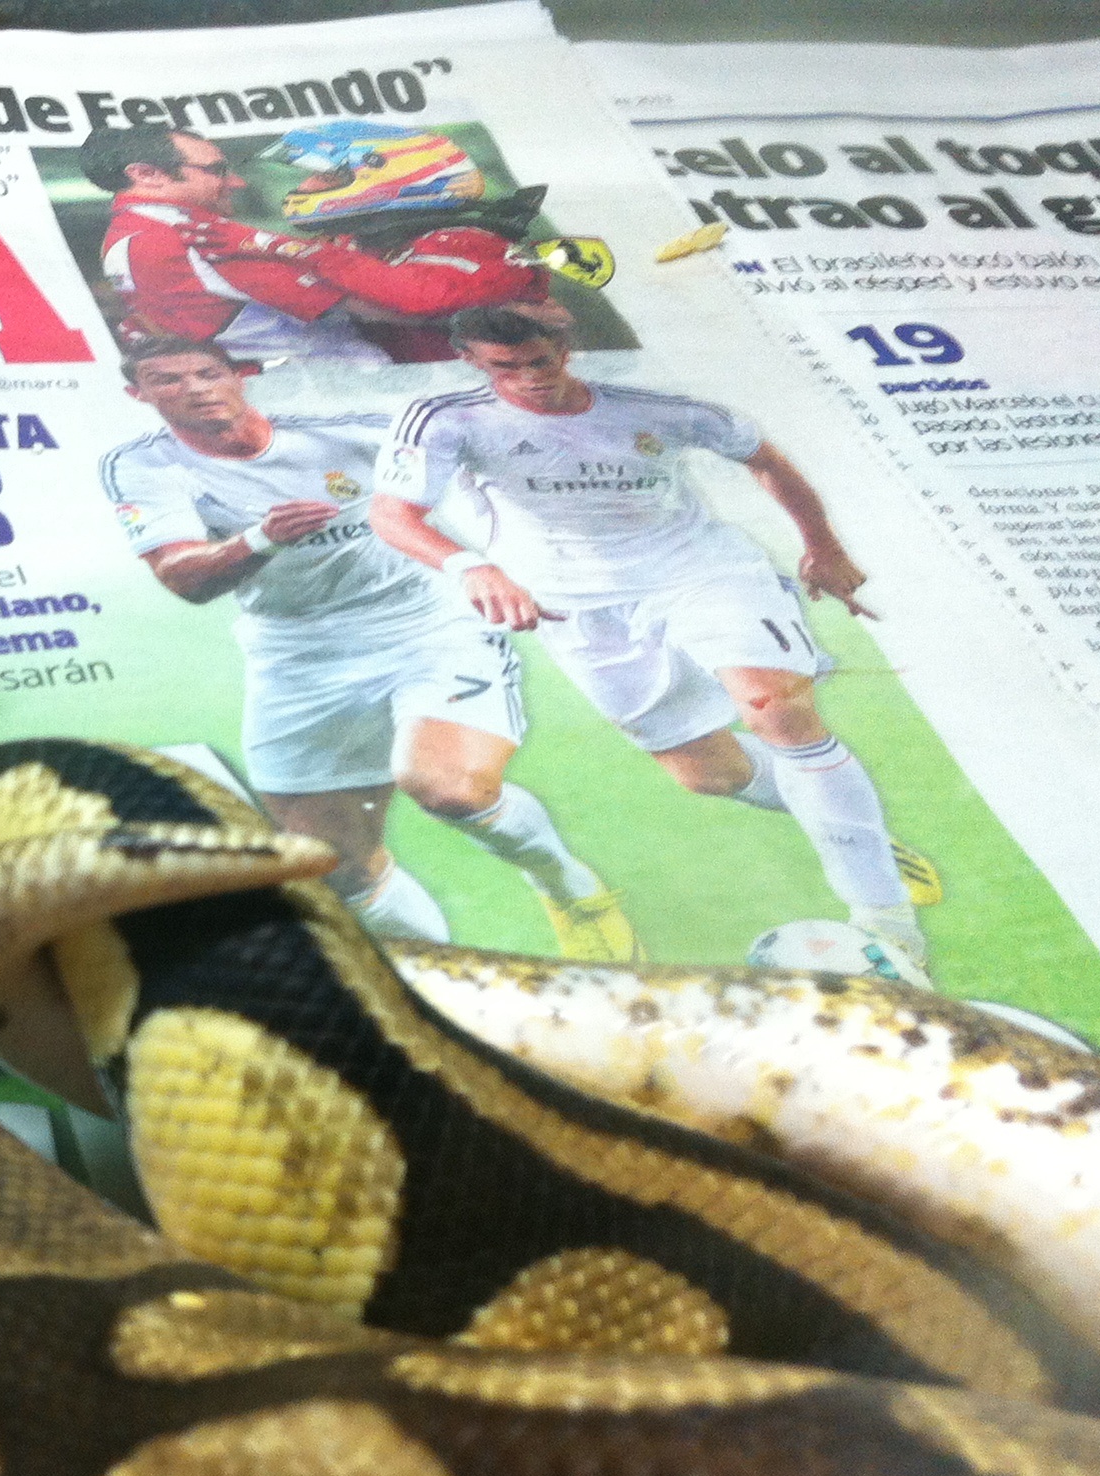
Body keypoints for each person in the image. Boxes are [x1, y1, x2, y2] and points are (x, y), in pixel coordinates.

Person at [370, 303, 937, 969]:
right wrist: (472, 567)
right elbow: (393, 515)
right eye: (505, 367)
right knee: (708, 774)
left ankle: (887, 919)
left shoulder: (660, 411)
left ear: (565, 350)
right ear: (471, 360)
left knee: (774, 708)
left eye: (540, 361)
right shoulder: (444, 420)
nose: (527, 377)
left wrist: (823, 547)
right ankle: (844, 822)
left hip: (702, 572)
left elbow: (766, 460)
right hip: (576, 607)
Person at [101, 334, 635, 957]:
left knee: (450, 789)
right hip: (297, 653)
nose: (194, 388)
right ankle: (455, 974)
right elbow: (183, 578)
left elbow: (505, 446)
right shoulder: (143, 466)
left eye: (205, 372)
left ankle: (569, 889)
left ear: (238, 377)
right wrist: (258, 540)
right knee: (335, 865)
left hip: (426, 624)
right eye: (168, 380)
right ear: (137, 394)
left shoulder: (352, 434)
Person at [79, 127, 547, 406]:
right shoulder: (194, 235)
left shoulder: (466, 239)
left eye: (329, 175)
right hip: (356, 394)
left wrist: (293, 249)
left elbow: (420, 298)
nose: (236, 182)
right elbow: (398, 307)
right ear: (146, 174)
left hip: (455, 391)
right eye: (218, 170)